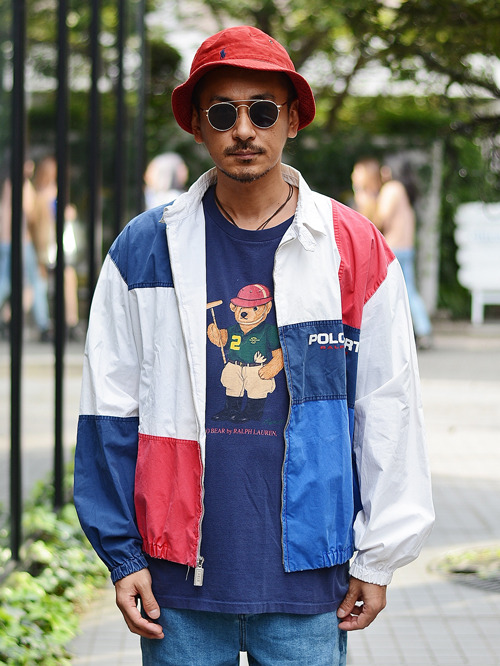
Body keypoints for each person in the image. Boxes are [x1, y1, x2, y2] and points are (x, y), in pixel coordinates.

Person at [74, 26, 434, 665]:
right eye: (222, 113)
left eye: (262, 111)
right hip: (177, 585)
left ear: (292, 119)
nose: (243, 129)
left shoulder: (353, 248)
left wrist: (379, 557)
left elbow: (388, 406)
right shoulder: (144, 249)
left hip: (309, 582)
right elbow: (109, 409)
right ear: (197, 126)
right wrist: (122, 556)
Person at [351, 157, 433, 349]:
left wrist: (365, 200)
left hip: (394, 249)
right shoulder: (402, 191)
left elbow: (381, 219)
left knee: (399, 292)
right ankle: (422, 330)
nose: (382, 172)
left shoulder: (392, 189)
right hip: (405, 248)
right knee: (408, 290)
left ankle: (422, 331)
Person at [32, 156, 82, 340]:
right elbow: (46, 222)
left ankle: (67, 322)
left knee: (45, 284)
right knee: (64, 280)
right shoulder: (48, 194)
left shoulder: (45, 193)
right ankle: (69, 322)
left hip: (53, 245)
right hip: (52, 246)